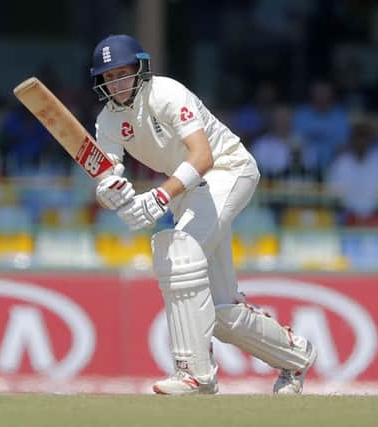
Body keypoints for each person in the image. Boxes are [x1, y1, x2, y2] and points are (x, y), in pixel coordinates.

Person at [90, 34, 317, 395]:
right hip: (189, 188)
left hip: (228, 170)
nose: (117, 83)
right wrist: (110, 193)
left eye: (123, 73)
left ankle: (195, 374)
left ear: (140, 69)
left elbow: (202, 156)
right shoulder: (107, 121)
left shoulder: (166, 93)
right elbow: (108, 177)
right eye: (109, 77)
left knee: (178, 248)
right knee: (223, 313)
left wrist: (159, 196)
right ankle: (296, 357)